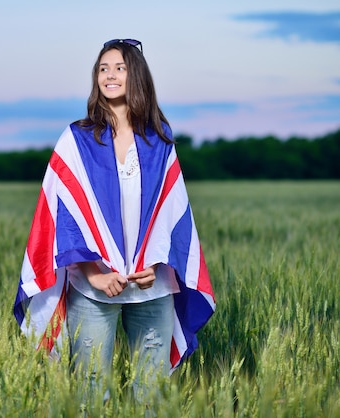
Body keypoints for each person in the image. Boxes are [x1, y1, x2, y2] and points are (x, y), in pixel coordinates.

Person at [14, 38, 215, 402]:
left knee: (149, 395)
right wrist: (94, 272)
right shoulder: (76, 139)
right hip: (93, 288)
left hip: (151, 286)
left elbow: (173, 212)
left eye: (119, 68)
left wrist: (155, 262)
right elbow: (63, 213)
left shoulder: (159, 141)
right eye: (103, 68)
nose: (109, 75)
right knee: (89, 393)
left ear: (135, 76)